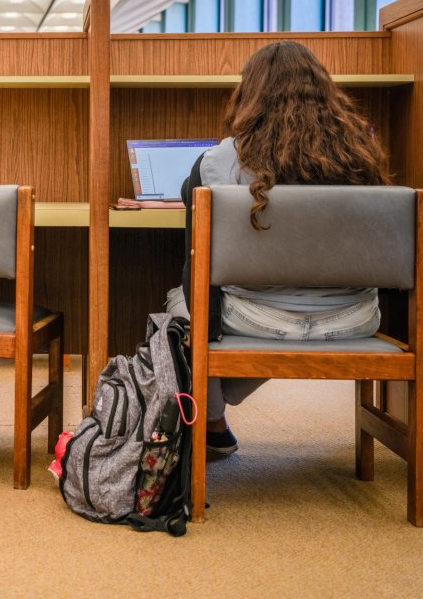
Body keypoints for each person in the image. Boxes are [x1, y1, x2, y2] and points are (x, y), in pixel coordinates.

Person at [165, 40, 391, 455]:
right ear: (326, 91)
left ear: (248, 95)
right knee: (205, 301)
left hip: (257, 321)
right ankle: (217, 412)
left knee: (182, 301)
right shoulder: (362, 156)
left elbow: (195, 267)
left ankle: (211, 422)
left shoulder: (217, 162)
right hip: (355, 319)